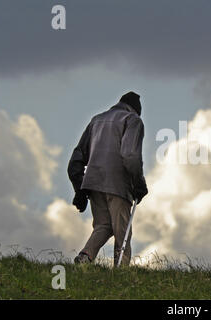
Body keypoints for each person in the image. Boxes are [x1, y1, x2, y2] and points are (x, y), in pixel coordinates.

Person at [67, 91, 148, 266]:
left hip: (93, 183)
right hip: (118, 183)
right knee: (122, 232)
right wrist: (139, 184)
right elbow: (130, 155)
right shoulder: (133, 120)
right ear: (136, 110)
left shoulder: (96, 120)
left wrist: (79, 188)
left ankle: (84, 258)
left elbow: (76, 158)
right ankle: (121, 273)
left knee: (103, 226)